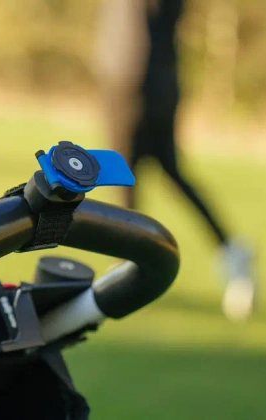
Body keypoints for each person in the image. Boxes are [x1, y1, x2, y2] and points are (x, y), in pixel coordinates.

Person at [93, 0, 257, 320]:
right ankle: (230, 247)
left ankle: (130, 265)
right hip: (155, 76)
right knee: (163, 170)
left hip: (132, 75)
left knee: (124, 170)